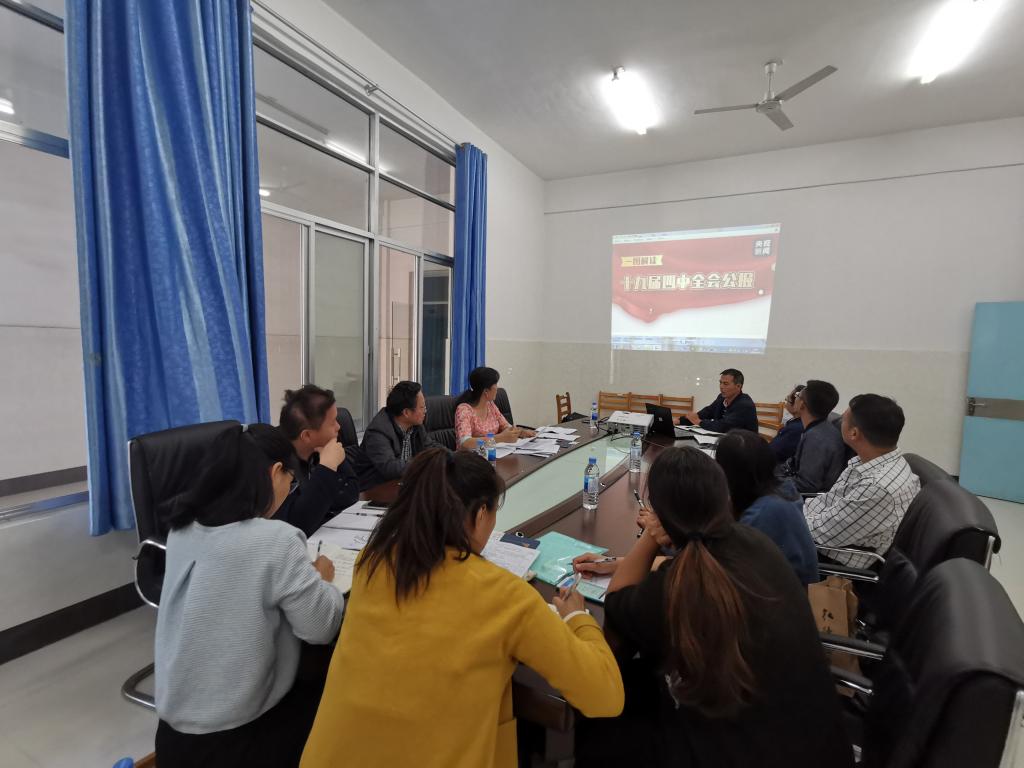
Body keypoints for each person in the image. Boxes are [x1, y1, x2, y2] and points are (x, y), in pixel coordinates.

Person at [301, 449, 624, 768]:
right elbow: (605, 696)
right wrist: (577, 617)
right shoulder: (504, 595)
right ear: (481, 515)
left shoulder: (372, 561)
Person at [572, 447, 851, 768]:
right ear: (725, 499)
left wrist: (649, 536)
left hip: (732, 750)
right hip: (812, 739)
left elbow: (617, 602)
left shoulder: (676, 588)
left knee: (599, 711)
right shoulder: (754, 542)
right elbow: (692, 561)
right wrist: (619, 561)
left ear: (659, 514)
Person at [154, 424, 344, 768]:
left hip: (172, 739)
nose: (289, 489)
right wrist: (322, 580)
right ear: (275, 473)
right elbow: (321, 627)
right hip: (240, 742)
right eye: (291, 481)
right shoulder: (275, 540)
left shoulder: (182, 529)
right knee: (333, 680)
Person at [805, 394, 921, 568]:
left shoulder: (877, 486)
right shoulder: (868, 462)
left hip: (832, 561)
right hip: (827, 535)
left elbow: (822, 533)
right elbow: (829, 501)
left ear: (854, 433)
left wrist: (787, 517)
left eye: (843, 419)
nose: (839, 423)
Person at [715, 430, 819, 584]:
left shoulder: (764, 513)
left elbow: (728, 565)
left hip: (784, 594)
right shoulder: (782, 488)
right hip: (785, 587)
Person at [275, 385, 360, 536]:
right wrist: (327, 467)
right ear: (307, 436)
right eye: (332, 422)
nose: (339, 427)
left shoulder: (319, 449)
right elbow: (298, 525)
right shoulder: (277, 464)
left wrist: (334, 464)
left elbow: (351, 495)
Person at [355, 380, 439, 490]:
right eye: (422, 407)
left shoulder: (416, 426)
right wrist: (424, 463)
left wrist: (453, 457)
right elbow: (390, 468)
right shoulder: (378, 432)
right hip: (374, 491)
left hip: (403, 484)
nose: (425, 411)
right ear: (406, 412)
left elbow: (431, 447)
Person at [778, 379, 846, 493]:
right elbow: (793, 463)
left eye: (797, 395)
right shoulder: (820, 428)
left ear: (802, 405)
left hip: (807, 498)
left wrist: (771, 483)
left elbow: (806, 485)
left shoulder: (817, 439)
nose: (794, 398)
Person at [454, 366, 535, 449]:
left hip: (493, 452)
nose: (497, 388)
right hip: (472, 456)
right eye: (495, 384)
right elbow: (465, 443)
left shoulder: (490, 405)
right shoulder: (464, 410)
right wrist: (500, 438)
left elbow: (506, 426)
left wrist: (520, 432)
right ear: (486, 391)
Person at [678, 368, 758, 433]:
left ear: (738, 386)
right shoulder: (721, 398)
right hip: (724, 440)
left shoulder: (744, 404)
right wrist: (679, 421)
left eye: (725, 384)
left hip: (744, 445)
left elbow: (723, 426)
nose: (721, 386)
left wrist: (699, 422)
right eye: (720, 383)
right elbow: (706, 413)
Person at [768, 384, 805, 463]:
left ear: (797, 404)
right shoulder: (795, 422)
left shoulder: (795, 429)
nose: (786, 403)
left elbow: (773, 452)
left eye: (787, 399)